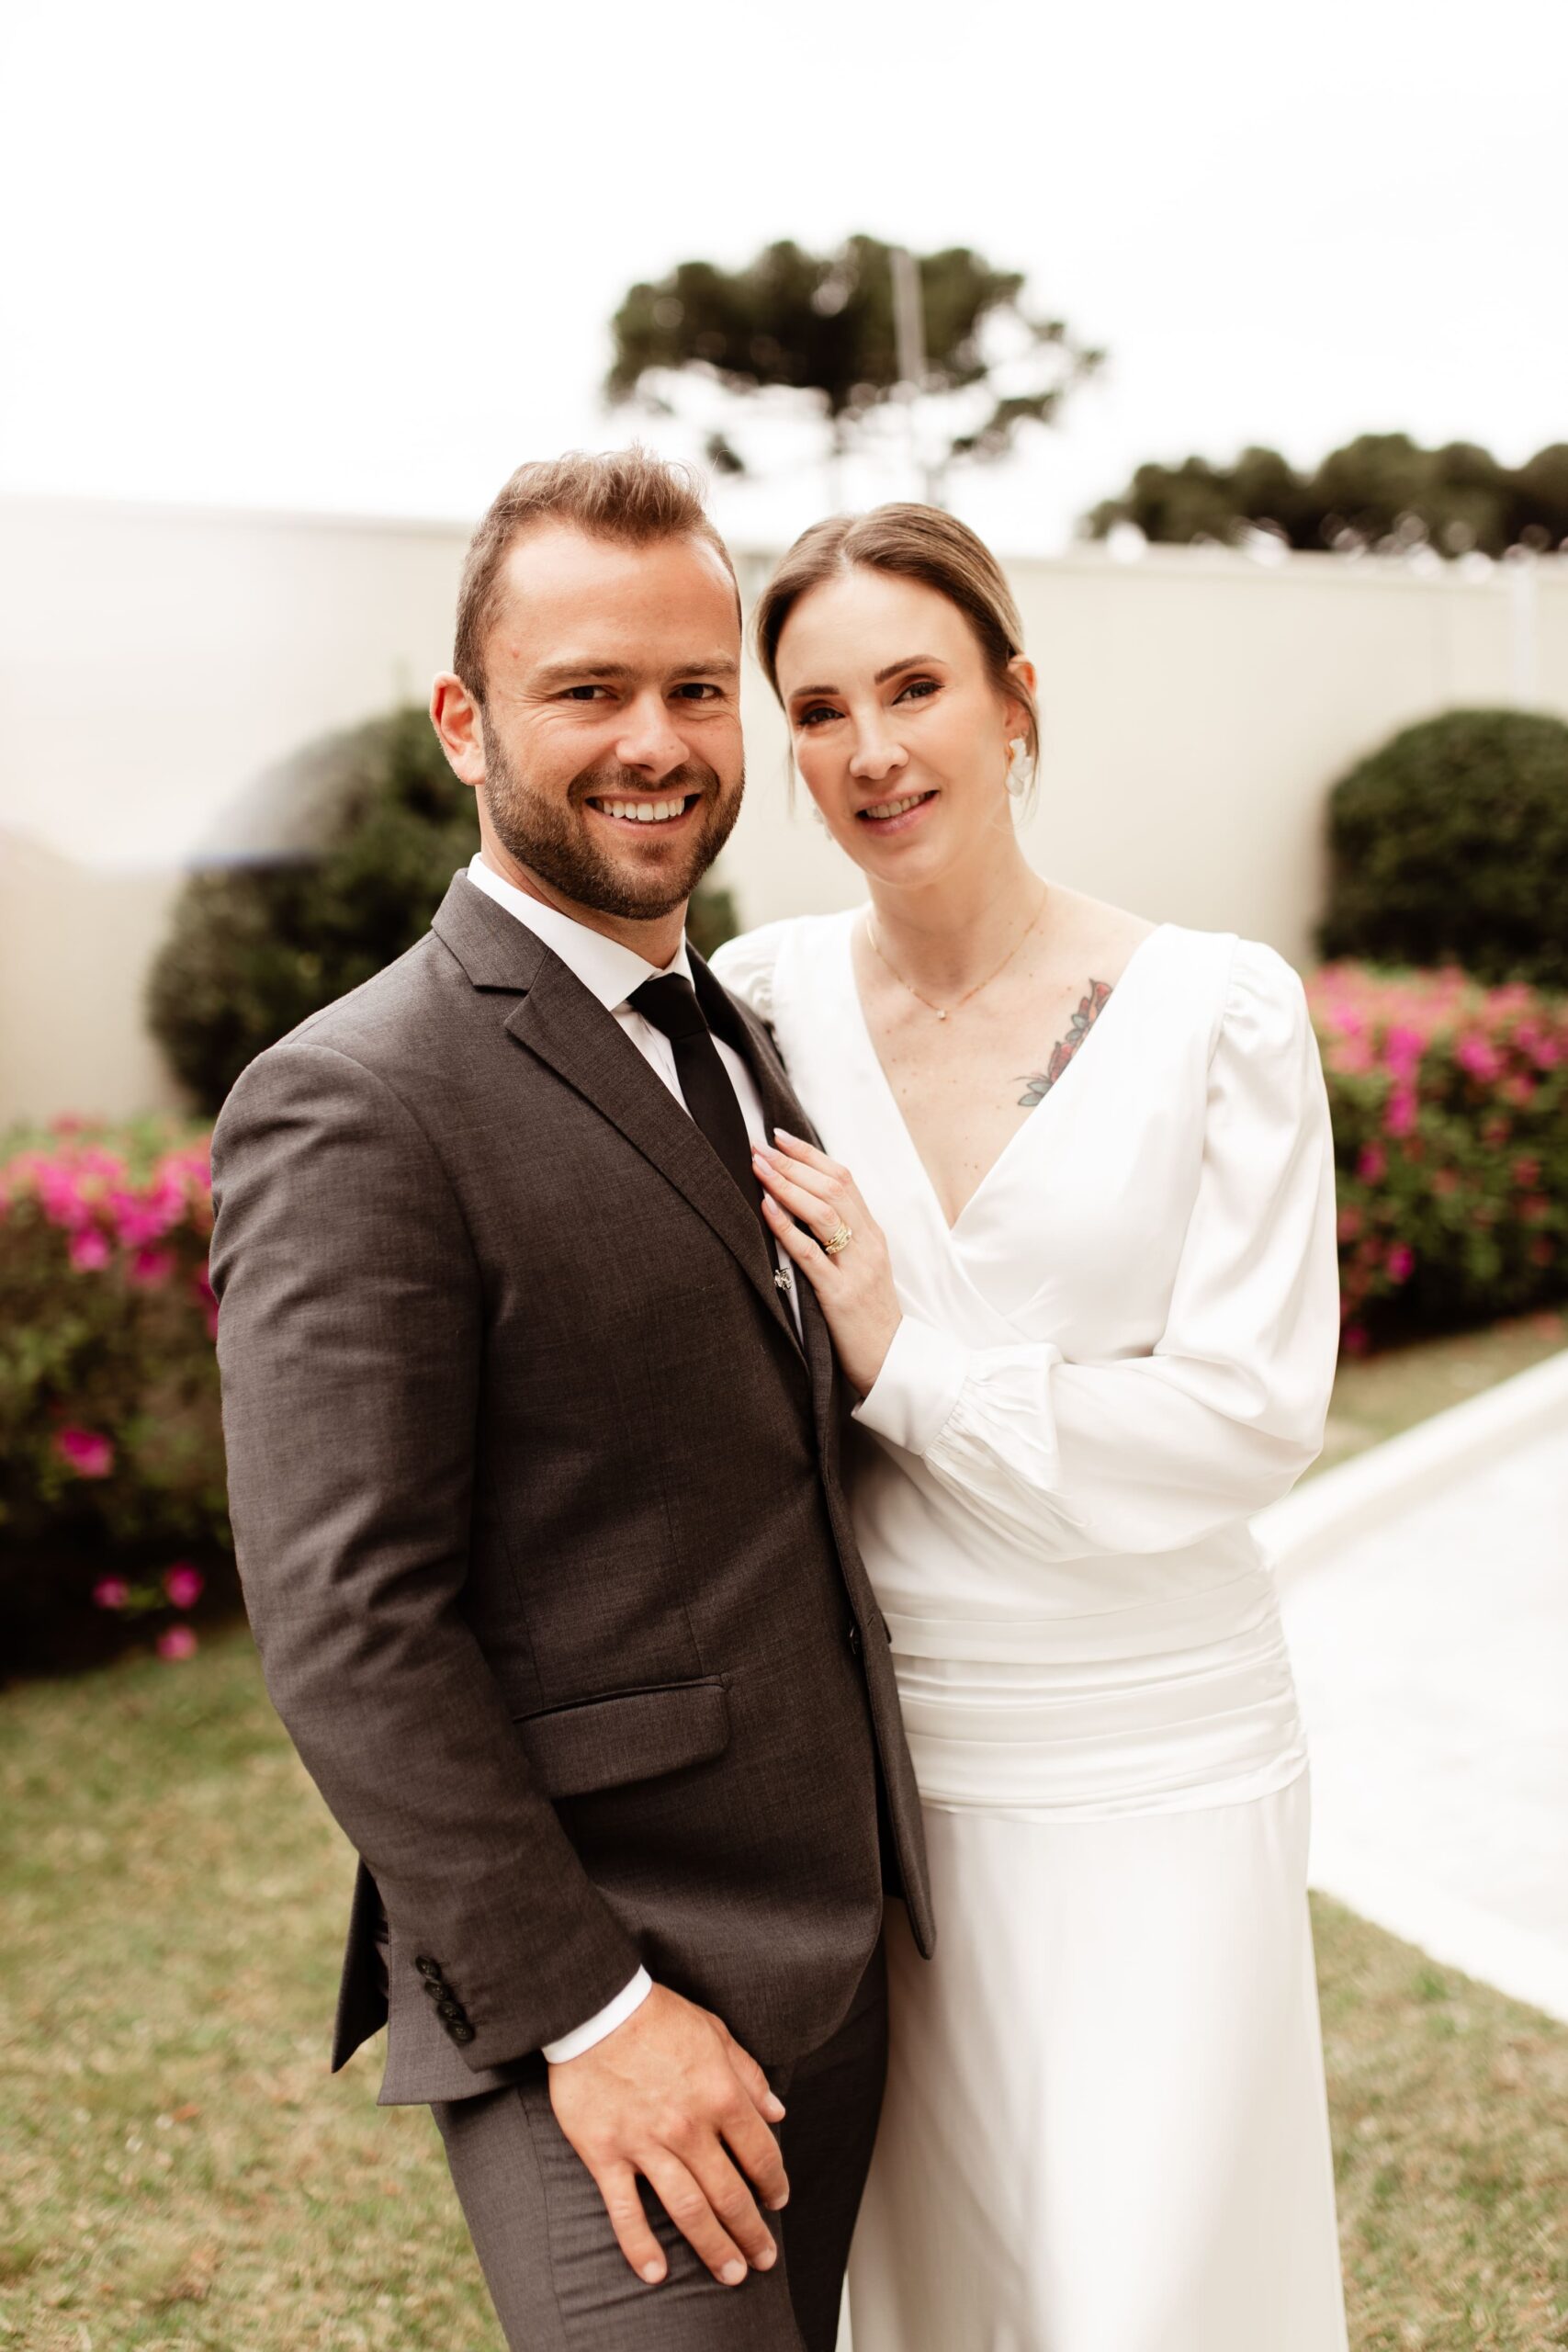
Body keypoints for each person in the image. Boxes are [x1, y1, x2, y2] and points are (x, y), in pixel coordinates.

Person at [209, 449, 931, 2352]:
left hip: (835, 1957)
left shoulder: (736, 1036)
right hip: (604, 1999)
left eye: (698, 689)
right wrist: (593, 2014)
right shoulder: (355, 1095)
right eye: (587, 689)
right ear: (464, 721)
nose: (656, 740)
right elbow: (349, 1625)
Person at [712, 503, 1350, 2351]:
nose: (870, 751)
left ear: (1014, 700)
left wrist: (909, 1360)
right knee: (948, 2284)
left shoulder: (1215, 1014)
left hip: (1152, 1747)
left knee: (1148, 2288)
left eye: (912, 686)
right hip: (890, 1784)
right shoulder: (759, 1013)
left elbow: (1242, 1416)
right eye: (817, 708)